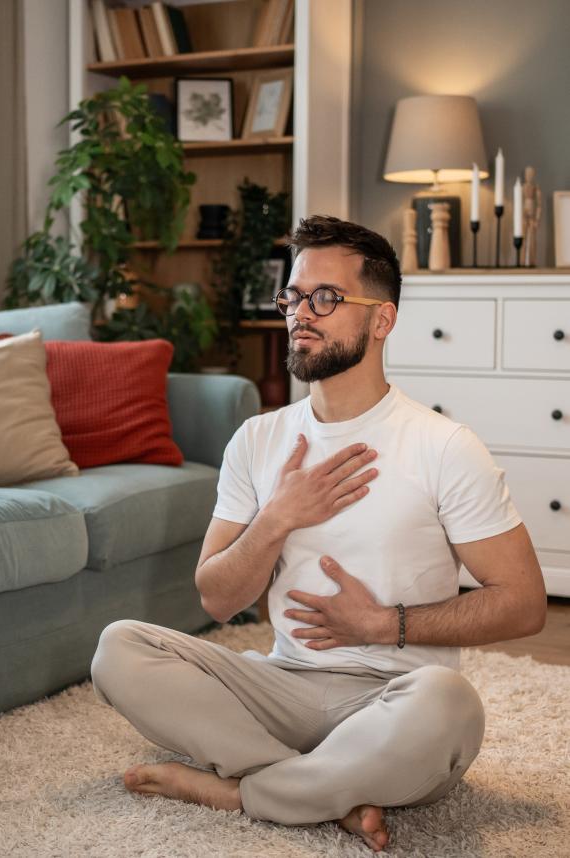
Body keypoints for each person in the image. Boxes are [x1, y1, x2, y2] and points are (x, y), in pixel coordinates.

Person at [90, 215, 547, 852]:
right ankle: (321, 789)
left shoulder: (444, 446)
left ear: (382, 320)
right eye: (294, 296)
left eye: (326, 298)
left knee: (452, 704)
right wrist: (278, 517)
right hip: (283, 687)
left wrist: (385, 625)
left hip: (395, 700)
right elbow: (218, 599)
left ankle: (243, 790)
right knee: (118, 649)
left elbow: (524, 604)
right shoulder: (257, 439)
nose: (301, 313)